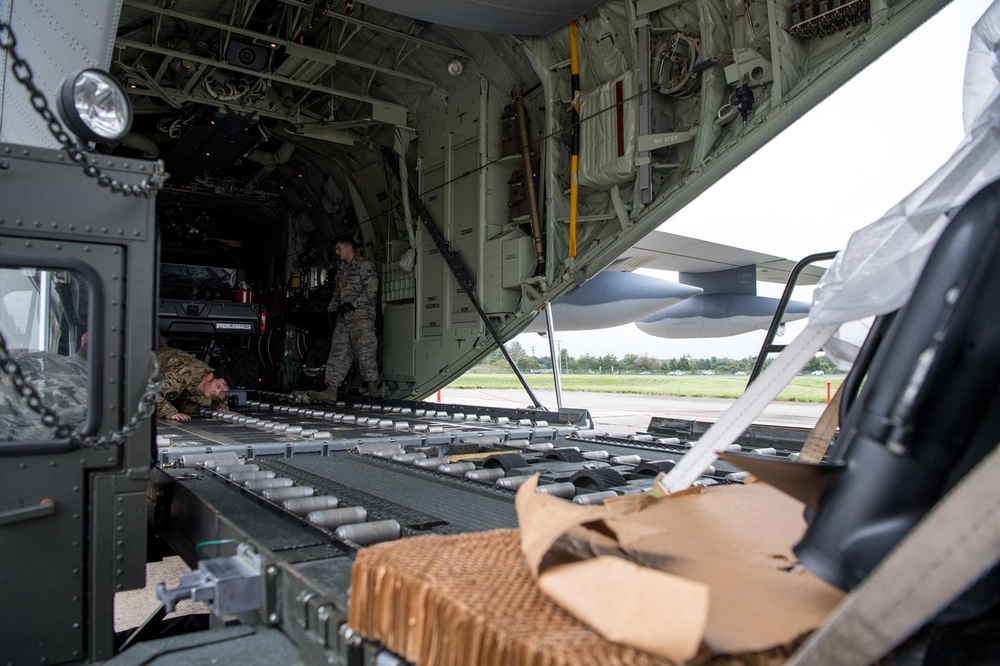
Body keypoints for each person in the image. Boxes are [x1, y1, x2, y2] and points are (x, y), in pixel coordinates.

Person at [312, 234, 379, 402]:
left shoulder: (365, 266)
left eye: (339, 248)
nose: (336, 252)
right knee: (338, 351)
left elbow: (372, 290)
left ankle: (373, 388)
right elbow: (337, 293)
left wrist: (353, 304)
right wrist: (331, 310)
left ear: (349, 247)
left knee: (365, 350)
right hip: (344, 318)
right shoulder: (341, 270)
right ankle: (331, 389)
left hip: (361, 317)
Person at [156, 344, 232, 421]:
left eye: (222, 391)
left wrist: (222, 409)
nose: (217, 393)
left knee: (191, 409)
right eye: (217, 386)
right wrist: (170, 412)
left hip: (183, 385)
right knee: (167, 395)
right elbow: (152, 393)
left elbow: (221, 397)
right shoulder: (182, 373)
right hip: (152, 362)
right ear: (209, 377)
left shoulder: (216, 382)